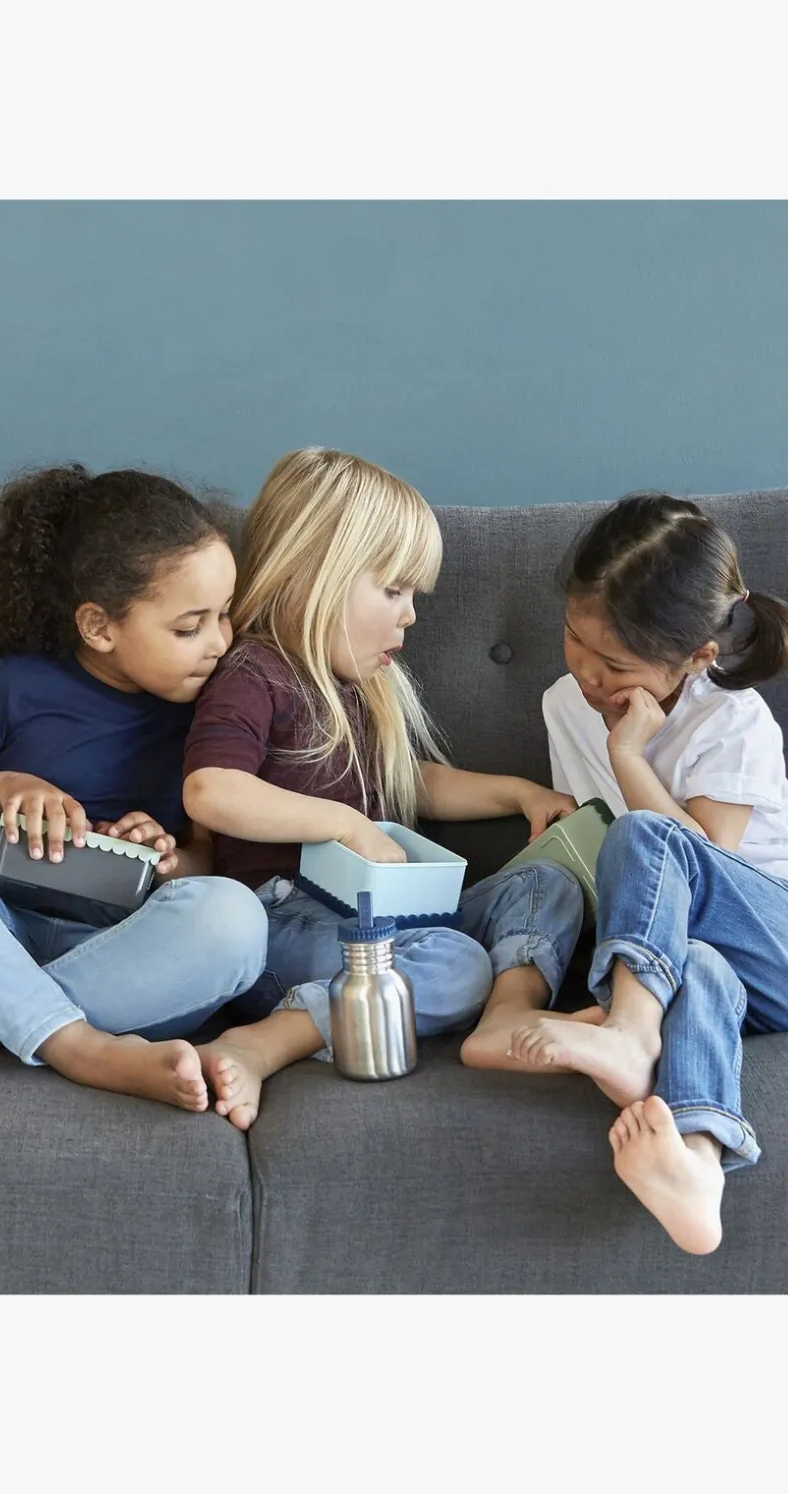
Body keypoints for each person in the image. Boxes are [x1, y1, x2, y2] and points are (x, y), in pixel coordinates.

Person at [181, 446, 602, 1131]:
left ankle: (507, 1016)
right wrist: (344, 824)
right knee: (456, 966)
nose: (409, 616)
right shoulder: (255, 673)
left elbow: (415, 784)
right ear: (315, 573)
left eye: (414, 597)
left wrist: (519, 794)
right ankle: (265, 1042)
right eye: (394, 591)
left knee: (547, 885)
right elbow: (211, 791)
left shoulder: (362, 687)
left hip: (390, 917)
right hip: (286, 920)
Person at [0, 464, 269, 1108]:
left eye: (225, 616)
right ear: (99, 627)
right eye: (189, 627)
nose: (219, 644)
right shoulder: (8, 685)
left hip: (120, 957)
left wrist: (168, 861)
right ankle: (84, 1049)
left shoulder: (216, 710)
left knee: (236, 917)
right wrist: (0, 789)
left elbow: (209, 857)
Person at [507, 492, 788, 1254]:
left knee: (647, 833)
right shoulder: (564, 703)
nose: (588, 674)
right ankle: (697, 1166)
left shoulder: (732, 718)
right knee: (696, 965)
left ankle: (629, 1030)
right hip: (702, 962)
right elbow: (619, 859)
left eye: (615, 665)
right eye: (574, 639)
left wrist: (627, 754)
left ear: (697, 657)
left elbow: (698, 857)